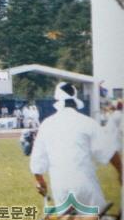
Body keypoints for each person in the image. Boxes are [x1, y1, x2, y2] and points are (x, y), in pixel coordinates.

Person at [30, 82, 122, 212]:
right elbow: (108, 151)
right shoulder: (87, 122)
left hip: (60, 185)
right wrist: (121, 172)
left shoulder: (47, 124)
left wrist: (40, 182)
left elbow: (37, 160)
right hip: (84, 183)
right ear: (75, 101)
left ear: (57, 101)